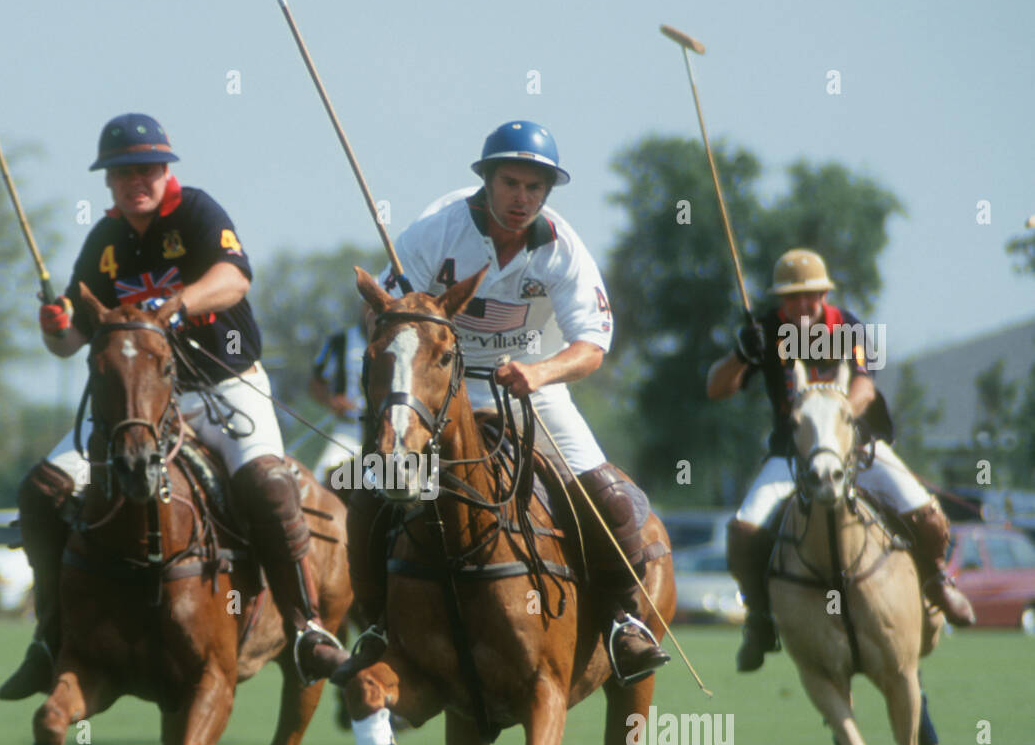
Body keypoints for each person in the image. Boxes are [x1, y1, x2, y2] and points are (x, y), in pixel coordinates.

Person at [0, 113, 347, 699]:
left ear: (166, 171)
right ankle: (49, 638)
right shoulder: (104, 242)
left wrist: (175, 304)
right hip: (137, 399)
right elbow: (70, 344)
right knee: (42, 490)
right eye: (123, 171)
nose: (137, 179)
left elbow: (235, 279)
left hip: (224, 384)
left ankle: (305, 627)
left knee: (269, 487)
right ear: (108, 182)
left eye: (147, 168)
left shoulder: (198, 213)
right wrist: (53, 325)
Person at [336, 120, 670, 687]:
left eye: (535, 188)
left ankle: (621, 621)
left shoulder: (562, 248)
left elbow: (593, 345)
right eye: (511, 183)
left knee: (607, 493)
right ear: (486, 181)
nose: (522, 198)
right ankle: (374, 627)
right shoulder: (436, 231)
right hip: (443, 388)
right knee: (375, 484)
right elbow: (387, 315)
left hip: (532, 385)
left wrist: (541, 371)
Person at [706, 248, 975, 672]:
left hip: (857, 447)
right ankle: (759, 618)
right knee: (742, 531)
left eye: (810, 296)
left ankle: (937, 581)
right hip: (791, 454)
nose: (802, 306)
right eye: (792, 298)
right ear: (781, 301)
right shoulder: (765, 330)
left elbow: (866, 387)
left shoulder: (846, 326)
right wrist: (741, 354)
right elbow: (716, 389)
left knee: (926, 514)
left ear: (824, 295)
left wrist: (834, 422)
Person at [308, 311, 369, 484]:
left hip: (387, 432)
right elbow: (316, 381)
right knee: (323, 476)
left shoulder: (399, 339)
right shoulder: (340, 341)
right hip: (349, 429)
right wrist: (331, 401)